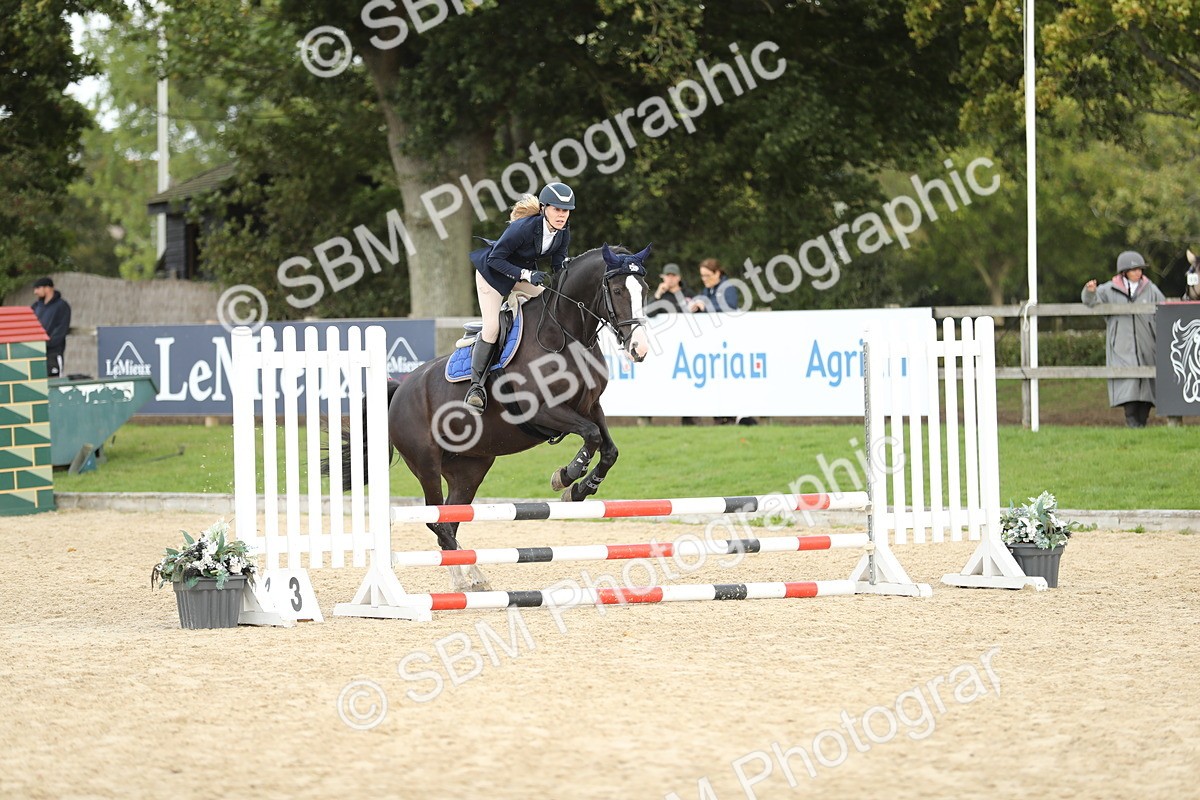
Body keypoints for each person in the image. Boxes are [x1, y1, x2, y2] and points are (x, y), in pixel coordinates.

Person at [465, 182, 574, 413]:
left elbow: (558, 265)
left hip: (520, 276)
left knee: (550, 307)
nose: (561, 215)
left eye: (565, 211)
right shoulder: (523, 228)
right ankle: (476, 389)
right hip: (492, 275)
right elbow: (495, 258)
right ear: (544, 209)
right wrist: (526, 274)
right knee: (492, 327)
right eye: (557, 209)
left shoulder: (563, 232)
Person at [1082, 250, 1166, 428]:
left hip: (1147, 344)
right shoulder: (1109, 289)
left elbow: (1164, 308)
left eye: (1140, 269)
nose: (1138, 273)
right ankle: (1132, 422)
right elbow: (1091, 301)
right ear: (1124, 271)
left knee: (1147, 387)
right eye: (1134, 269)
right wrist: (1090, 291)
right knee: (1129, 386)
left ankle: (1141, 424)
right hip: (1122, 346)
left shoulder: (1151, 289)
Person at [687, 258, 756, 425]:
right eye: (702, 276)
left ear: (717, 273)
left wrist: (706, 306)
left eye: (707, 275)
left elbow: (730, 306)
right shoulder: (707, 290)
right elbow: (703, 303)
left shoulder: (728, 286)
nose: (704, 279)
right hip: (715, 343)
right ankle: (722, 416)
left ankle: (737, 415)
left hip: (731, 341)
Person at [31, 276, 71, 379]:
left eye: (38, 288)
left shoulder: (62, 306)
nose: (35, 292)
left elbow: (61, 329)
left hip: (54, 353)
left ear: (48, 288)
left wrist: (46, 343)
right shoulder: (35, 306)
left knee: (54, 382)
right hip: (36, 352)